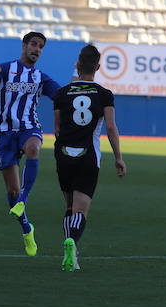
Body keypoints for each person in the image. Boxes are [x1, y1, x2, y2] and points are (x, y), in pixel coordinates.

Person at [0, 31, 62, 256]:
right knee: (11, 189)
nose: (37, 49)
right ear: (24, 45)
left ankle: (23, 199)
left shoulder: (41, 78)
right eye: (33, 44)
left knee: (33, 148)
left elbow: (61, 95)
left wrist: (77, 87)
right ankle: (27, 229)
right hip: (5, 134)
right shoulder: (5, 69)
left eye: (41, 46)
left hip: (29, 128)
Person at [53, 44, 126, 272]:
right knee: (81, 211)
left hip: (63, 154)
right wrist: (118, 158)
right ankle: (72, 242)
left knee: (69, 205)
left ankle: (72, 252)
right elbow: (111, 128)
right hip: (88, 156)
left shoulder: (61, 93)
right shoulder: (104, 94)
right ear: (98, 67)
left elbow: (56, 129)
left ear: (77, 65)